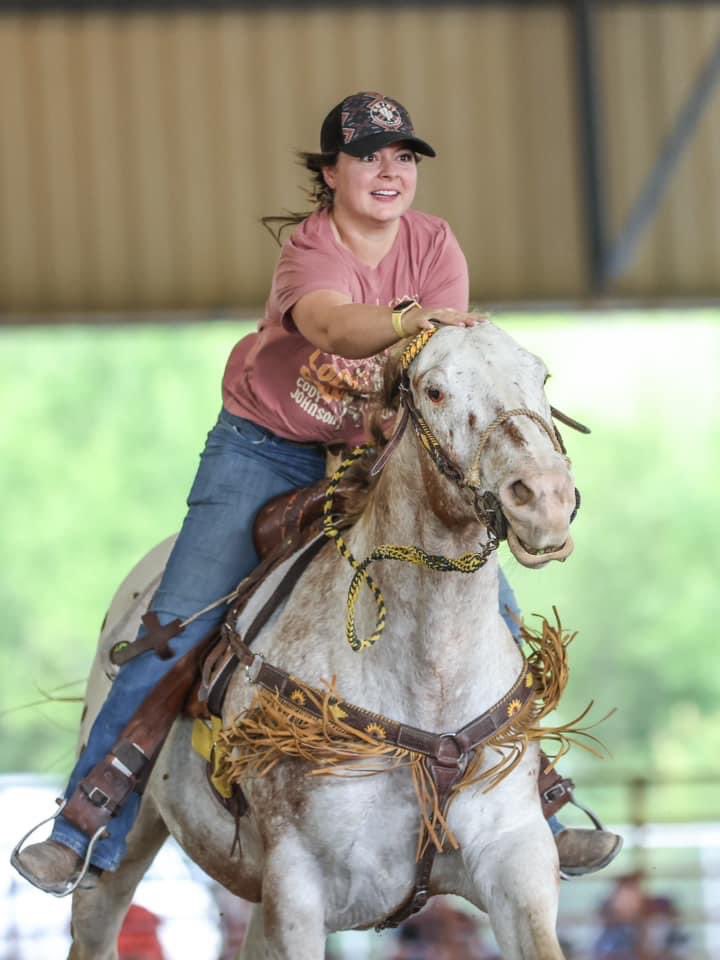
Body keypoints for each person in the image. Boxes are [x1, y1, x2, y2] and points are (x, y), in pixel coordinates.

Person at [13, 91, 621, 894]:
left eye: (403, 157)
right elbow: (334, 328)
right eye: (368, 156)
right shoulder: (311, 250)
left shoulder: (436, 243)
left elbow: (440, 370)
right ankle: (90, 821)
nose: (389, 172)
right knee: (179, 619)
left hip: (372, 450)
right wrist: (419, 323)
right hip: (264, 448)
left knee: (483, 598)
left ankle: (536, 805)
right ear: (331, 171)